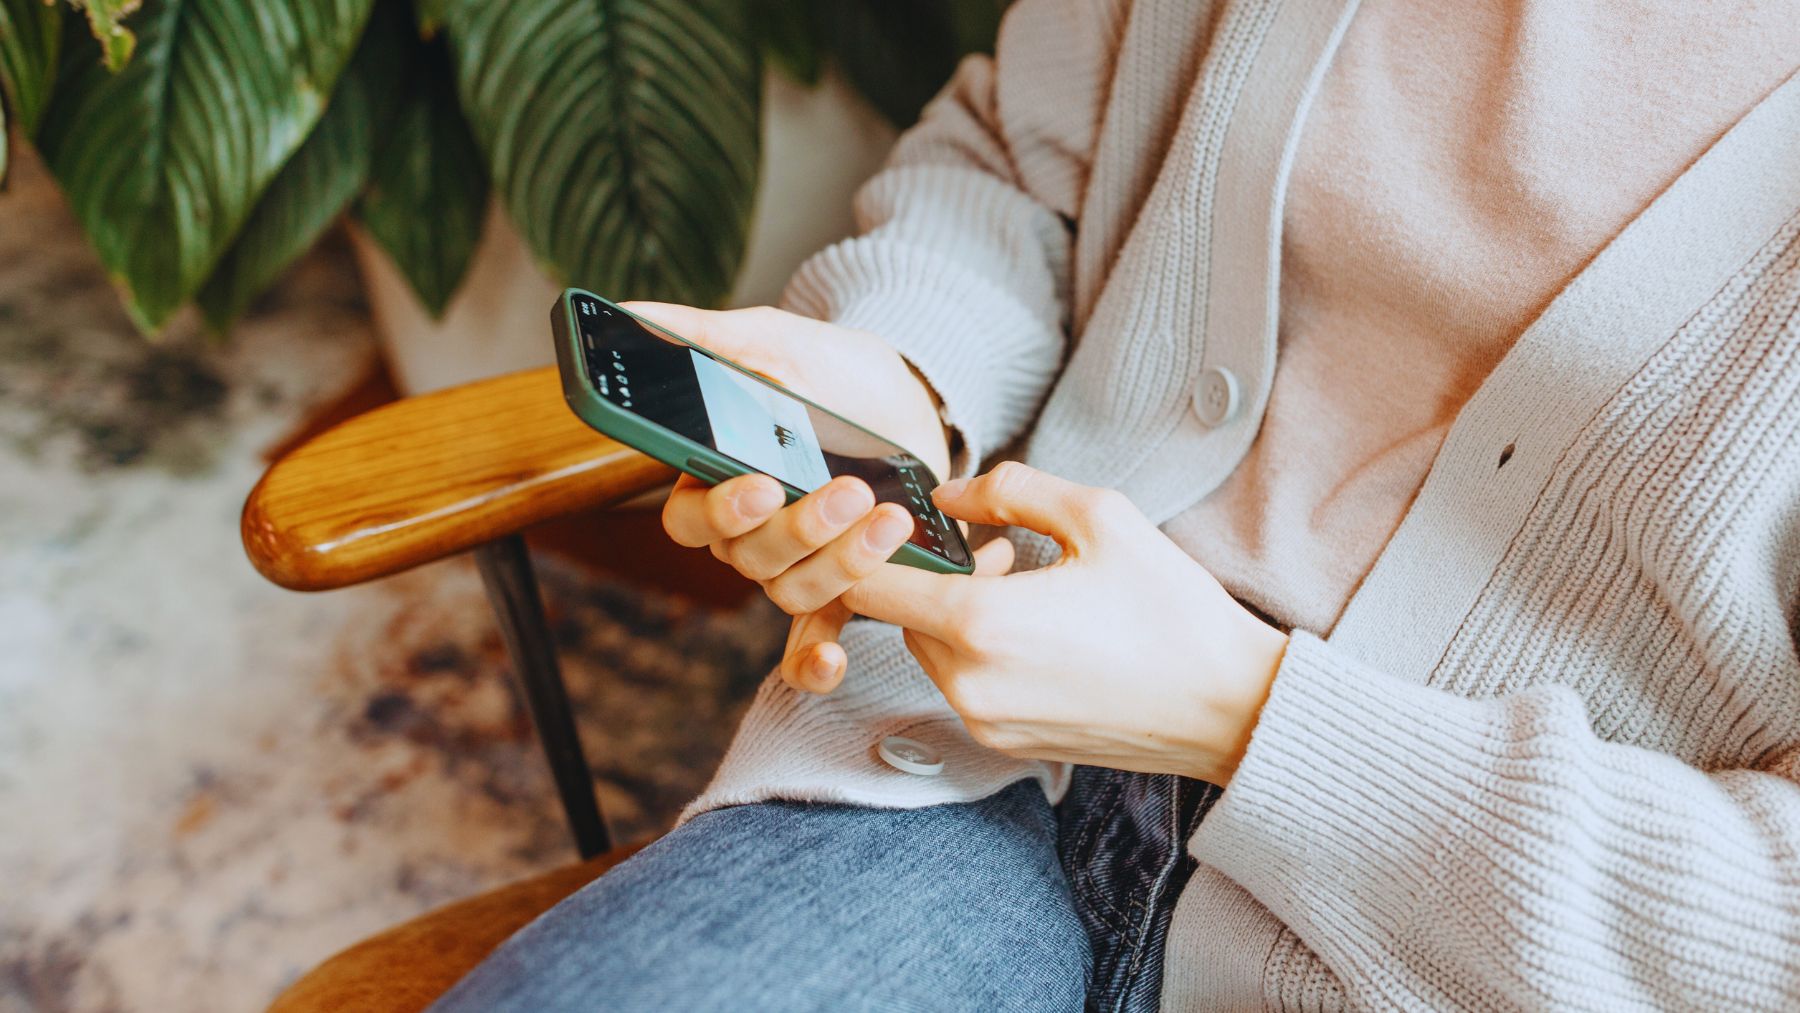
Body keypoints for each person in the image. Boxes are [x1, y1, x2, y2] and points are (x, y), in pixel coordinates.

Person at [436, 0, 1800, 1008]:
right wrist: (902, 368)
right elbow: (1025, 166)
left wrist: (1243, 711)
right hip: (970, 775)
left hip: (1454, 954)